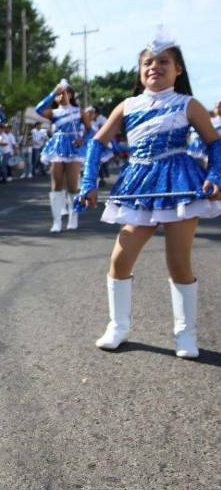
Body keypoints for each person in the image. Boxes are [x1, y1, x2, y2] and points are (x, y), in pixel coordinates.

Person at [77, 34, 221, 359]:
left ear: (178, 69)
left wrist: (215, 175)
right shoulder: (127, 105)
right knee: (120, 258)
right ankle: (118, 326)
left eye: (163, 61)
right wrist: (88, 181)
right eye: (148, 62)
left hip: (179, 183)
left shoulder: (188, 104)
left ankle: (185, 334)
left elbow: (215, 143)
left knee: (178, 261)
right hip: (139, 183)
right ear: (140, 71)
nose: (155, 66)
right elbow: (96, 143)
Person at [35, 79, 91, 232]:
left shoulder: (80, 111)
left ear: (71, 95)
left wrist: (83, 140)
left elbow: (89, 130)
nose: (62, 96)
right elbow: (38, 110)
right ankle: (57, 221)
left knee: (73, 186)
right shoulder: (53, 113)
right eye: (58, 95)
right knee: (56, 184)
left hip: (74, 148)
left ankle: (73, 218)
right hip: (58, 147)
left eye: (65, 93)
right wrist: (53, 91)